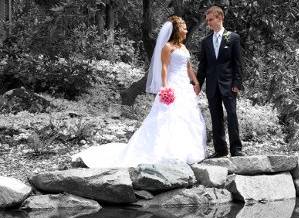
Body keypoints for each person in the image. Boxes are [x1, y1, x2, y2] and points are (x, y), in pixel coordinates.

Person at [72, 16, 207, 168]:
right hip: (172, 85)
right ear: (176, 30)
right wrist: (165, 87)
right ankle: (165, 151)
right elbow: (163, 68)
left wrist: (195, 82)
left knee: (186, 117)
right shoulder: (167, 47)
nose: (186, 30)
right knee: (167, 117)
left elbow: (188, 67)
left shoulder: (183, 47)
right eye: (184, 27)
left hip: (184, 87)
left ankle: (186, 150)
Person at [196, 5, 243, 158]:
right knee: (215, 117)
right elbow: (203, 65)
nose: (208, 23)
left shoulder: (233, 37)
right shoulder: (206, 41)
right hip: (211, 86)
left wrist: (237, 83)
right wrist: (197, 84)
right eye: (207, 20)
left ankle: (236, 149)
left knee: (232, 114)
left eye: (210, 20)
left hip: (229, 85)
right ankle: (220, 150)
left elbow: (238, 63)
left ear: (220, 18)